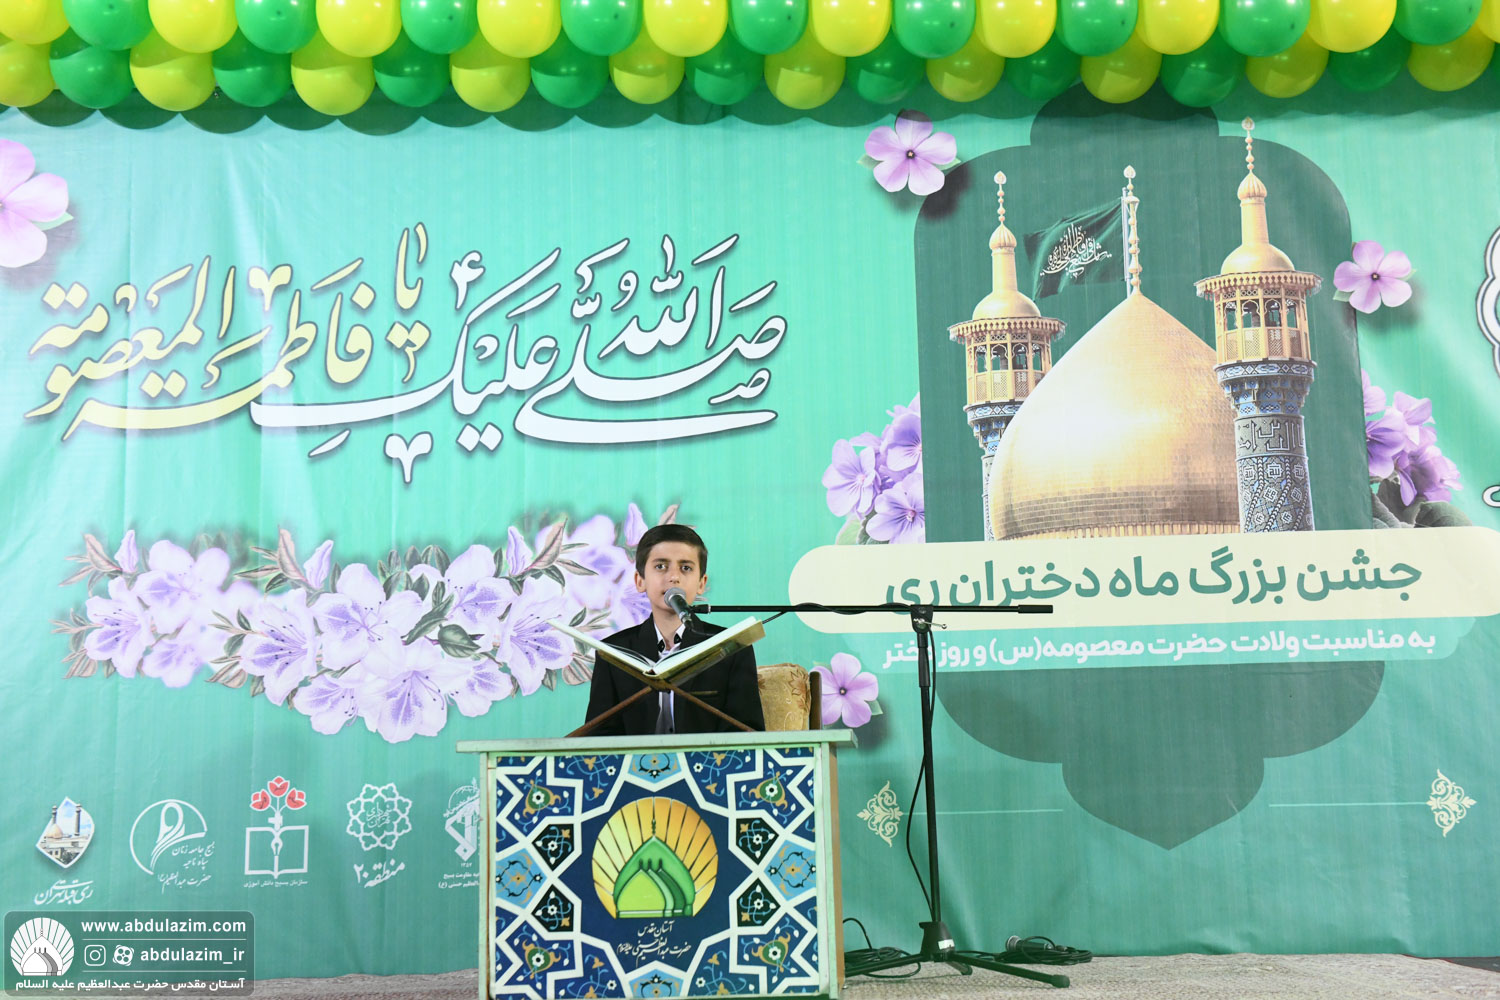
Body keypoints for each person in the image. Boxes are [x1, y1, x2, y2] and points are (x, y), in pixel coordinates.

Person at [582, 524, 765, 736]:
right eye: (661, 566)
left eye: (685, 568)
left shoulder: (732, 647)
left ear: (701, 583)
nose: (674, 577)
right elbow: (599, 738)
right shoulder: (613, 652)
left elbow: (746, 735)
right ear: (640, 581)